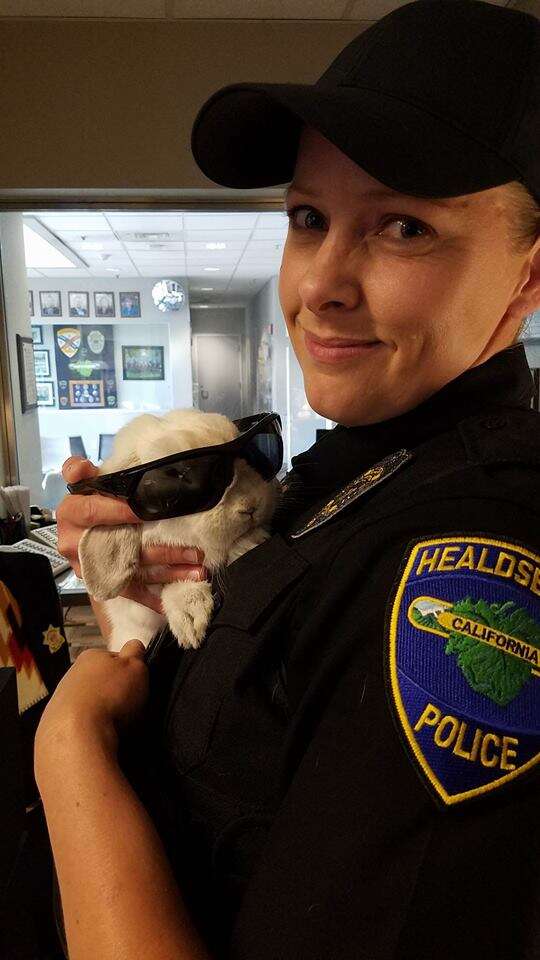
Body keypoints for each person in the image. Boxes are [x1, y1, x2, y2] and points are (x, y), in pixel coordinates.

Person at [34, 1, 540, 958]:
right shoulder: (357, 468)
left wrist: (70, 751)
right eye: (310, 217)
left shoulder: (473, 564)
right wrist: (145, 577)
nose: (320, 284)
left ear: (526, 278)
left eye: (403, 227)